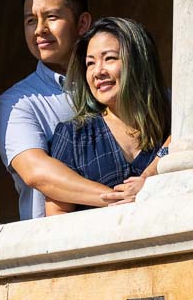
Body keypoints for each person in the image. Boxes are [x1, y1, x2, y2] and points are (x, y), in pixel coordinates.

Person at [0, 0, 139, 219]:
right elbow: (36, 172)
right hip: (56, 243)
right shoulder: (18, 101)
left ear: (82, 24)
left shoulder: (114, 82)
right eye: (30, 20)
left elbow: (172, 120)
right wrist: (122, 201)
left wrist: (148, 182)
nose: (40, 30)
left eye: (51, 17)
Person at [45, 17, 171, 214]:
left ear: (139, 61)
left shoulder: (174, 120)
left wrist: (151, 178)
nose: (97, 72)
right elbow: (56, 214)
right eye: (90, 63)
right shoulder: (73, 135)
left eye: (110, 58)